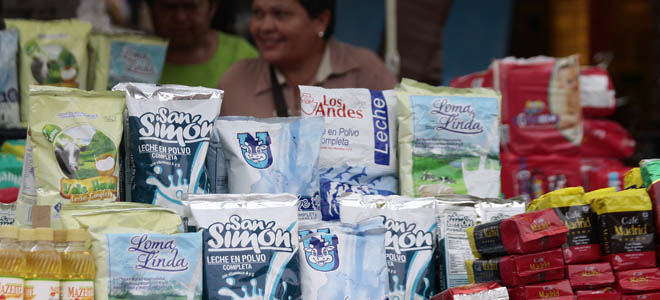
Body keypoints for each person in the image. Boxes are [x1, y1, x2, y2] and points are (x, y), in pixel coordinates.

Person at [219, 0, 397, 117]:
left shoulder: (365, 72)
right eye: (258, 14)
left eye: (280, 14)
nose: (264, 26)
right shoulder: (236, 81)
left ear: (321, 21)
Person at [149, 0, 258, 88]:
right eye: (169, 7)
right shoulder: (135, 56)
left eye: (190, 7)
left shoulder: (243, 57)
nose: (180, 17)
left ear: (212, 8)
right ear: (151, 8)